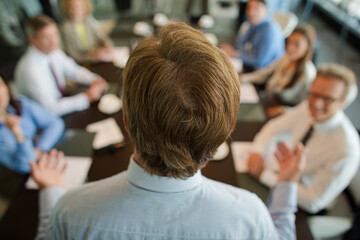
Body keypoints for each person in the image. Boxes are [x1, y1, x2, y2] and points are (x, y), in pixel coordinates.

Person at [31, 22, 302, 239]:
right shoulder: (249, 217)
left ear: (126, 121)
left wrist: (51, 193)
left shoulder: (71, 211)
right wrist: (287, 184)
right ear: (222, 135)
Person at [247, 63, 360, 214]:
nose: (316, 103)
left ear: (342, 102)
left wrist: (264, 175)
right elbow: (274, 126)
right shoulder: (308, 107)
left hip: (302, 200)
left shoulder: (346, 149)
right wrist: (257, 150)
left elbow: (313, 201)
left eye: (327, 99)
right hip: (281, 174)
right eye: (313, 94)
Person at [14, 14, 108, 116]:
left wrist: (94, 79)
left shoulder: (51, 50)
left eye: (55, 34)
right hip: (45, 117)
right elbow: (50, 109)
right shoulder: (30, 69)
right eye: (46, 37)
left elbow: (73, 70)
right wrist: (87, 97)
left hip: (62, 102)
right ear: (33, 40)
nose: (53, 41)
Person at [240, 24, 317, 117]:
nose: (290, 47)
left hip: (282, 114)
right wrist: (245, 78)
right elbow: (266, 72)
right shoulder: (286, 57)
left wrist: (285, 110)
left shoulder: (308, 75)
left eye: (296, 44)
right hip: (267, 100)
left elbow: (307, 106)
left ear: (308, 47)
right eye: (289, 42)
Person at [0, 75, 64, 174]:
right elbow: (26, 165)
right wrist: (18, 134)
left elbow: (56, 123)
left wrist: (40, 148)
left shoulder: (20, 103)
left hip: (44, 160)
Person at [221, 0, 284, 72]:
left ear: (265, 10)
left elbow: (260, 62)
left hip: (267, 73)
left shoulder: (270, 30)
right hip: (253, 66)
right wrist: (237, 53)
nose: (251, 12)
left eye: (256, 8)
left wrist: (236, 54)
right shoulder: (253, 23)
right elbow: (240, 44)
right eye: (248, 8)